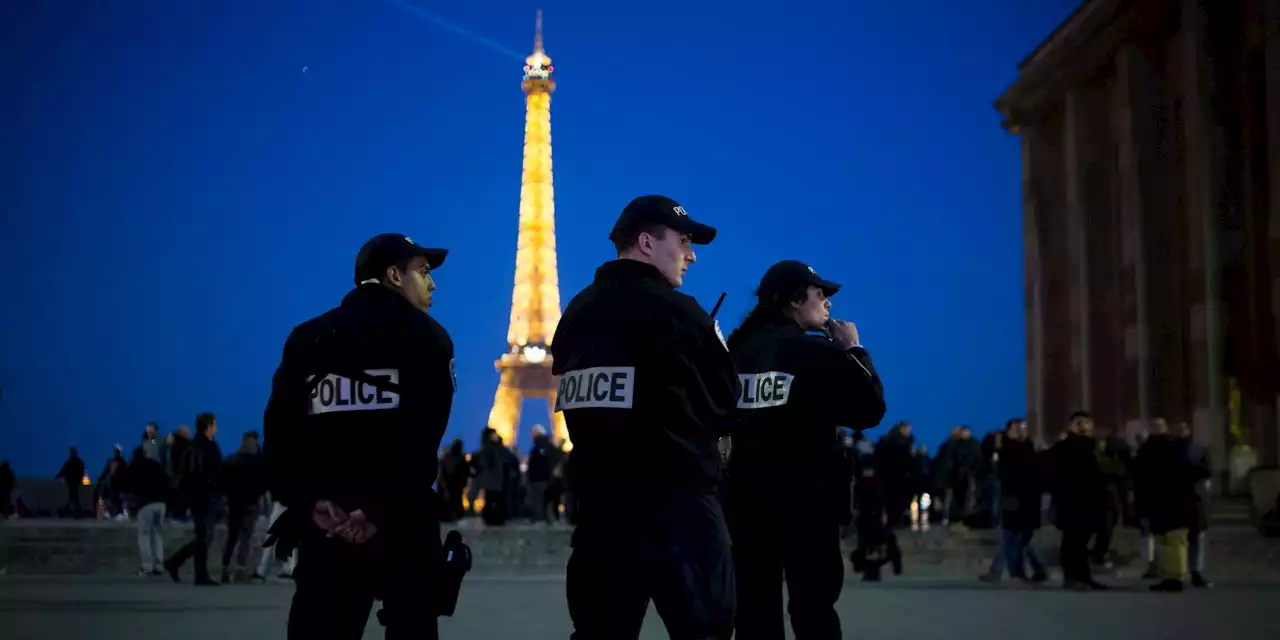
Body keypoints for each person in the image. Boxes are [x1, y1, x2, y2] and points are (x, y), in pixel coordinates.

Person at [550, 195, 740, 639]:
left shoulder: (574, 315)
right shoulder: (680, 313)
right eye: (684, 240)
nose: (692, 255)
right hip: (678, 511)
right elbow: (726, 398)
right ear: (646, 243)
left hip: (602, 513)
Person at [264, 233, 461, 639]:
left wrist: (310, 502)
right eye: (423, 272)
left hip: (327, 528)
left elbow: (281, 435)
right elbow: (422, 440)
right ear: (393, 275)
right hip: (403, 526)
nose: (432, 284)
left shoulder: (307, 338)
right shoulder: (427, 337)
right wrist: (377, 511)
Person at [723, 259, 886, 638]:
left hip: (745, 503)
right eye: (820, 295)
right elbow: (870, 408)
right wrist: (854, 350)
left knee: (755, 611)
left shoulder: (735, 354)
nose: (827, 303)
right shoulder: (813, 354)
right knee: (814, 611)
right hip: (807, 504)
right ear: (795, 301)